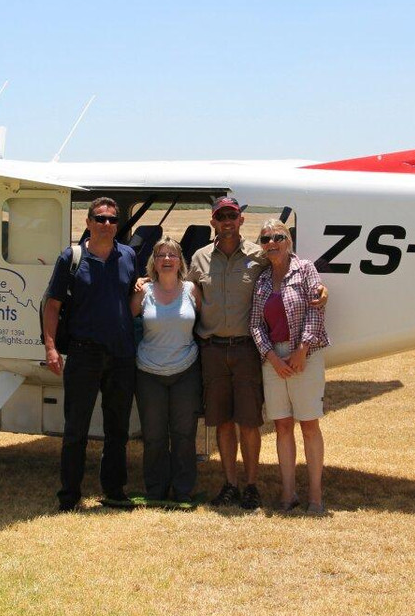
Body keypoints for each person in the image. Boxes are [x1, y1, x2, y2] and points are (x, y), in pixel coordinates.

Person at [188, 196, 327, 510]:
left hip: (249, 351)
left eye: (232, 216)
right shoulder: (199, 258)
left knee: (250, 422)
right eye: (221, 216)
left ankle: (251, 486)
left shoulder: (260, 257)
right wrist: (146, 281)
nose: (226, 221)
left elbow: (301, 283)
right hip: (215, 349)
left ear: (240, 222)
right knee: (223, 422)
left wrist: (322, 293)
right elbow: (187, 290)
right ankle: (230, 484)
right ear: (213, 221)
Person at [42, 197, 138, 512]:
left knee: (117, 429)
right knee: (76, 429)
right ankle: (69, 496)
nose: (107, 225)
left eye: (112, 220)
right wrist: (51, 347)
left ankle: (114, 491)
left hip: (121, 355)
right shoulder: (71, 258)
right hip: (84, 355)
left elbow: (128, 302)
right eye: (100, 219)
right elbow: (52, 306)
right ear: (88, 223)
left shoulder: (128, 256)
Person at [250, 219, 331, 514]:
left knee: (309, 424)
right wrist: (271, 357)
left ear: (289, 241)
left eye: (278, 237)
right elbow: (256, 324)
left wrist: (303, 349)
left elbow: (316, 308)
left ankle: (316, 497)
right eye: (266, 238)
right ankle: (288, 494)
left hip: (304, 355)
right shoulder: (261, 280)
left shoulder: (306, 269)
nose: (272, 243)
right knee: (282, 425)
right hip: (273, 358)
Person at [130, 237, 202, 502]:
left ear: (180, 261)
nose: (167, 260)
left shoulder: (192, 290)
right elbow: (126, 321)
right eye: (161, 255)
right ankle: (156, 490)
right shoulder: (143, 291)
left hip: (185, 370)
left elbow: (203, 324)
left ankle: (183, 490)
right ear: (154, 262)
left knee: (184, 435)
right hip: (149, 372)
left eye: (172, 255)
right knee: (154, 436)